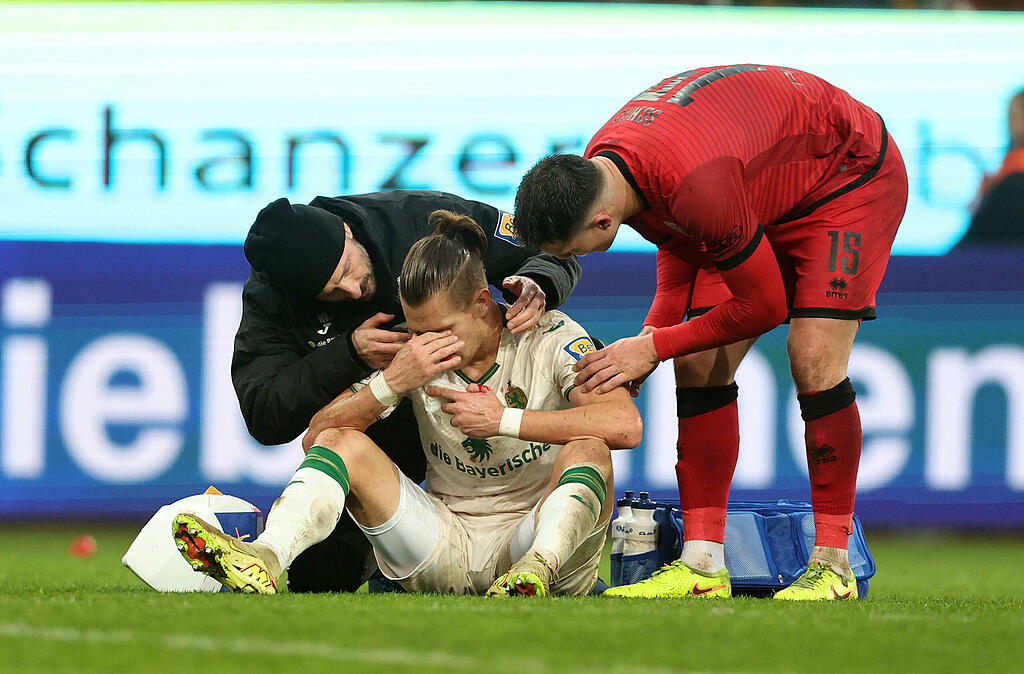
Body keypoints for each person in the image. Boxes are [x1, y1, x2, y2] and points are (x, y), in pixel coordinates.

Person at [513, 65, 908, 600]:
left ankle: (833, 566)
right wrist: (651, 341)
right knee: (697, 361)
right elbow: (681, 245)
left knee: (813, 356)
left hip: (847, 174)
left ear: (602, 221)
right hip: (764, 184)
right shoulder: (605, 168)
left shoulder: (697, 187)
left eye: (570, 250)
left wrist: (651, 346)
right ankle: (702, 566)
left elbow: (763, 307)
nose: (573, 259)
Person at [175, 210, 642, 596]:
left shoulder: (552, 336)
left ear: (483, 302)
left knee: (590, 448)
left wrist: (504, 420)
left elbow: (625, 425)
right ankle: (266, 555)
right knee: (339, 442)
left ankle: (538, 568)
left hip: (532, 532)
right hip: (446, 540)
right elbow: (316, 435)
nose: (427, 343)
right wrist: (391, 382)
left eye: (442, 330)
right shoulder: (414, 353)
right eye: (419, 331)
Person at [958, 89, 1024, 247]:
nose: (1010, 123)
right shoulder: (1006, 163)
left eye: (1016, 116)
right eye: (1009, 116)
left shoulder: (1015, 176)